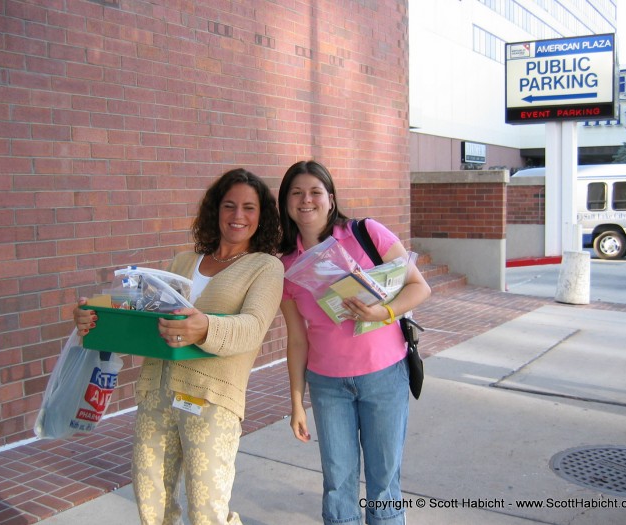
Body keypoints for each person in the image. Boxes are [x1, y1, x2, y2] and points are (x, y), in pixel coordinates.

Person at [74, 168, 284, 525]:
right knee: (151, 503)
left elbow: (252, 328)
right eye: (229, 205)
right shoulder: (184, 262)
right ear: (215, 210)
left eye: (249, 208)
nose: (238, 216)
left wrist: (205, 328)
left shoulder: (264, 267)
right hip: (157, 394)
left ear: (261, 215)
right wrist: (95, 317)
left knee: (207, 512)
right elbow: (143, 313)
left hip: (211, 400)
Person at [278, 160, 431, 525]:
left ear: (330, 199)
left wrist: (385, 314)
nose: (306, 200)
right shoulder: (284, 264)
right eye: (296, 193)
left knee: (384, 483)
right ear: (285, 202)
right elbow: (297, 340)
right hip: (328, 385)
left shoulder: (366, 233)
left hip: (383, 376)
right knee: (337, 484)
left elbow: (419, 286)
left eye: (315, 192)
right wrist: (297, 402)